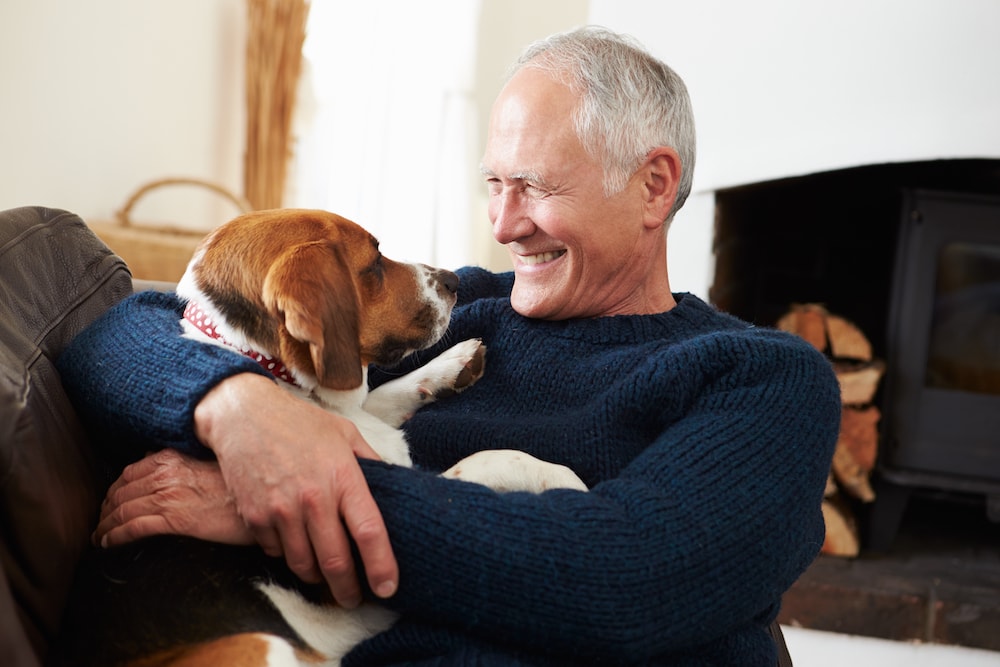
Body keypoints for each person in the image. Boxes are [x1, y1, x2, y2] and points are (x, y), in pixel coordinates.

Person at [57, 26, 841, 666]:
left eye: (534, 185)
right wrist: (239, 408)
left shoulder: (765, 380)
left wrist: (291, 497)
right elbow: (111, 336)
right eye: (493, 184)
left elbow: (623, 582)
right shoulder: (468, 310)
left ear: (654, 186)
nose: (503, 223)